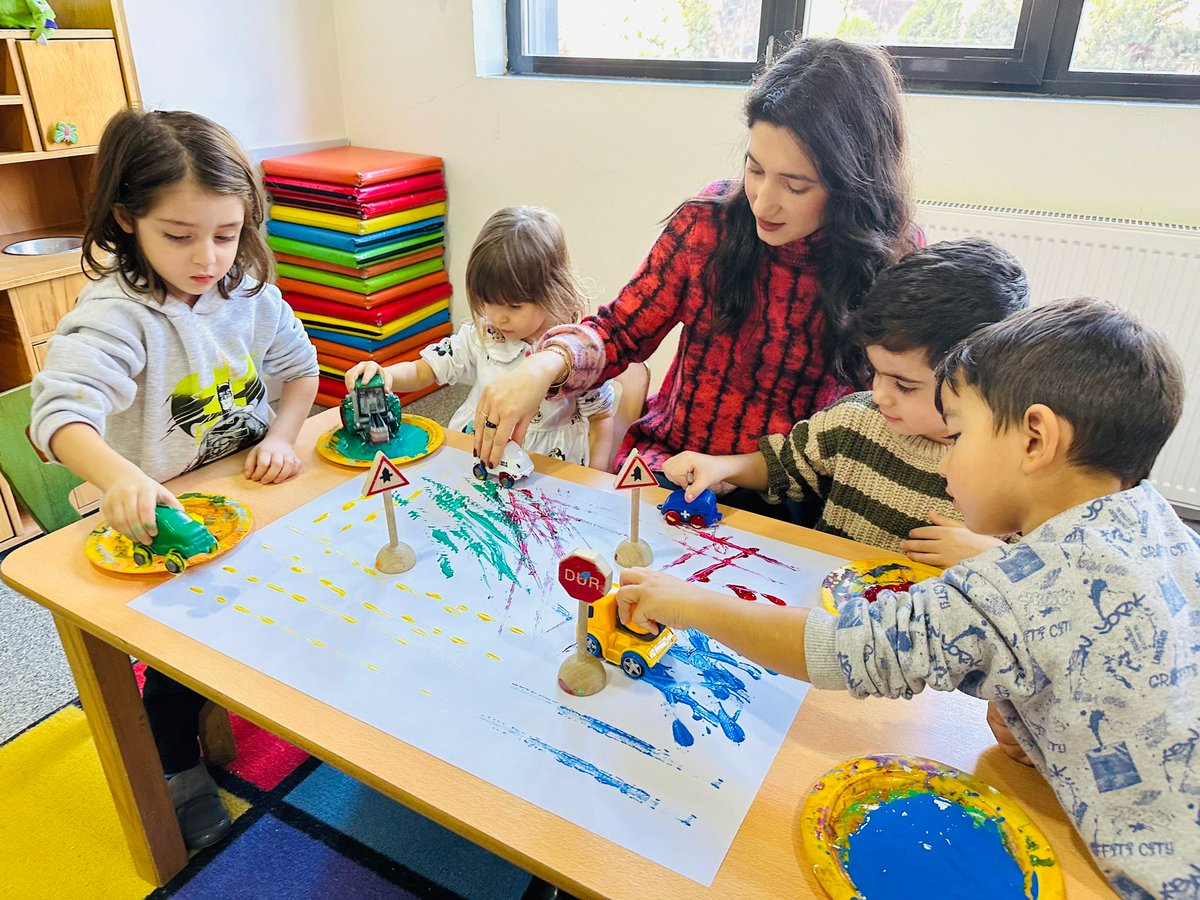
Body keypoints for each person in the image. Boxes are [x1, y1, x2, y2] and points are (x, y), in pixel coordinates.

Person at [616, 297, 1199, 897]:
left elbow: (837, 647)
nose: (945, 461)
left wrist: (683, 602)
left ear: (1034, 439)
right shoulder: (1157, 522)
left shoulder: (1009, 588)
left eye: (959, 436)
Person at [30, 108, 319, 849]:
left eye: (227, 234)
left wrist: (285, 438)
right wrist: (117, 476)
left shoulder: (247, 291)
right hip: (155, 515)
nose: (209, 258)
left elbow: (300, 371)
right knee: (179, 664)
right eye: (180, 236)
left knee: (319, 586)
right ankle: (182, 774)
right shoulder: (117, 316)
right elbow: (59, 414)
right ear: (126, 219)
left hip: (248, 488)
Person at [472, 37, 915, 503]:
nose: (763, 201)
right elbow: (620, 331)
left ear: (852, 184)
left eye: (796, 185)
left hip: (795, 491)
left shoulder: (887, 261)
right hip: (674, 464)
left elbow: (881, 416)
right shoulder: (707, 227)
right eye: (755, 169)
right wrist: (545, 364)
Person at [662, 237, 1029, 567]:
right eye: (876, 372)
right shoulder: (857, 419)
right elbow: (784, 466)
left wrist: (993, 561)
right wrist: (721, 468)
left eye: (904, 385)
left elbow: (1049, 580)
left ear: (980, 383)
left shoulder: (1013, 474)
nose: (881, 394)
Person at [345, 206, 615, 467]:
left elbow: (601, 418)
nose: (498, 318)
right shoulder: (483, 336)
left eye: (513, 306)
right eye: (488, 302)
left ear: (552, 291)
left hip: (547, 466)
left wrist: (595, 478)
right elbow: (424, 371)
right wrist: (386, 375)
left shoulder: (576, 354)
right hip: (476, 453)